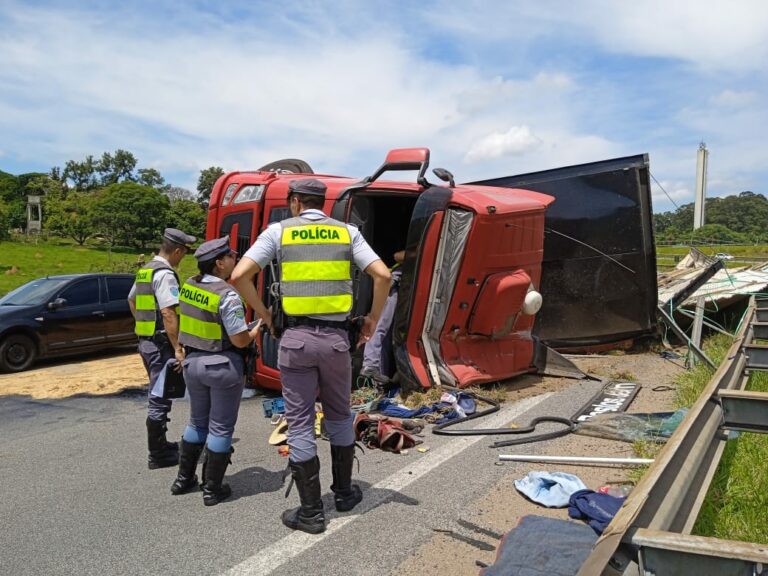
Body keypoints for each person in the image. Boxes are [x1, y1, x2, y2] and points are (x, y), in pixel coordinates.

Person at [231, 178, 391, 534]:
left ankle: (311, 513)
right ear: (323, 202)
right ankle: (346, 493)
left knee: (301, 421)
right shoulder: (348, 233)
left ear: (295, 202)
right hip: (336, 343)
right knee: (339, 414)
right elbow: (382, 275)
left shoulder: (278, 232)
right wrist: (371, 320)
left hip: (296, 341)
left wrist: (265, 314)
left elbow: (240, 275)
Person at [171, 236, 261, 506]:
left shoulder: (188, 286)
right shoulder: (227, 294)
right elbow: (240, 340)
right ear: (220, 263)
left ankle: (183, 480)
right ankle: (212, 489)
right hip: (221, 366)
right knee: (221, 428)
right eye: (232, 255)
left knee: (197, 422)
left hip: (193, 364)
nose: (236, 258)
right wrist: (255, 330)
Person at [128, 227, 196, 470]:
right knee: (159, 395)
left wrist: (144, 327)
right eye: (184, 254)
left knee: (159, 391)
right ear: (177, 250)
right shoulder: (165, 274)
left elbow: (132, 300)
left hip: (146, 342)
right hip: (160, 345)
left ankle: (163, 444)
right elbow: (168, 312)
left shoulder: (145, 270)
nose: (182, 259)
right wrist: (178, 346)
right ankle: (157, 454)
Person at [360, 250, 405, 383]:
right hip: (395, 285)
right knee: (379, 326)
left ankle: (380, 373)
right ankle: (370, 366)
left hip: (406, 287)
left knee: (389, 334)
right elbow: (397, 255)